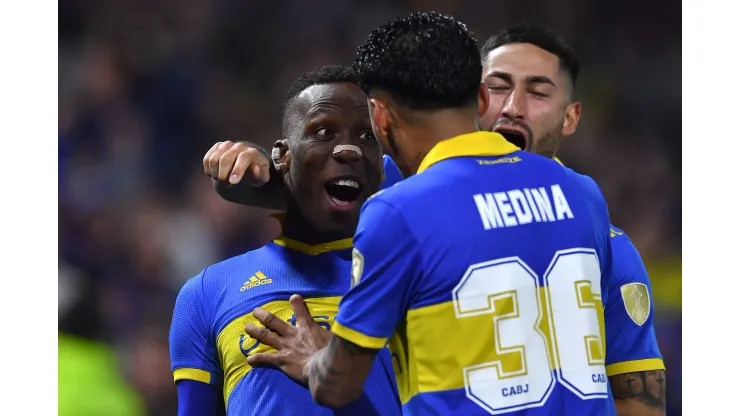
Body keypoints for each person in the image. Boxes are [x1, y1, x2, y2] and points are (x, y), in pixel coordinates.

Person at [206, 24, 666, 416]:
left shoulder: (401, 209)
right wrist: (253, 174)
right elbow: (329, 189)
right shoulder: (585, 199)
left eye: (538, 91)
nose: (513, 107)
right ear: (481, 96)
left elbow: (338, 385)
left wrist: (315, 361)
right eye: (502, 85)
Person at [168, 64, 401, 416]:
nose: (349, 149)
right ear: (282, 156)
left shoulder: (409, 277)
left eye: (367, 137)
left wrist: (328, 374)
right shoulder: (207, 292)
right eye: (324, 131)